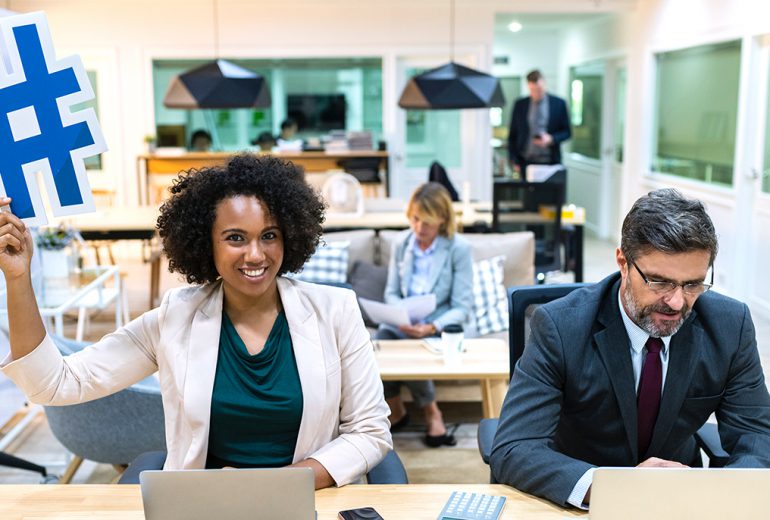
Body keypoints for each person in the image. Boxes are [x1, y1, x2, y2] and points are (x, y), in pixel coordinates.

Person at [0, 154, 391, 488]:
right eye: (236, 238)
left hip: (307, 500)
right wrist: (18, 278)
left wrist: (282, 484)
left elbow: (370, 431)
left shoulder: (335, 310)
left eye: (268, 235)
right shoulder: (176, 317)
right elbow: (54, 385)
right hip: (205, 506)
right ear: (207, 243)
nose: (256, 255)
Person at [490, 188, 770, 508]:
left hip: (679, 500)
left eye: (693, 284)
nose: (677, 301)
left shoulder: (729, 325)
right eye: (659, 281)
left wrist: (715, 494)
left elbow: (758, 436)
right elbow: (514, 448)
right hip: (583, 499)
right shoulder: (559, 326)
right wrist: (614, 489)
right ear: (623, 262)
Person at [375, 182, 473, 447]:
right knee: (378, 343)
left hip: (441, 324)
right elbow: (392, 293)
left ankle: (432, 412)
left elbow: (462, 308)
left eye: (427, 222)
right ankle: (395, 407)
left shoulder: (458, 248)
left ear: (442, 219)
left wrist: (430, 326)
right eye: (415, 219)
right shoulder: (402, 243)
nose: (419, 228)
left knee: (407, 343)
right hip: (405, 322)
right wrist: (401, 315)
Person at [507, 69, 571, 177]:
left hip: (550, 163)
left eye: (539, 89)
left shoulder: (559, 104)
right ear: (528, 87)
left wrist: (551, 139)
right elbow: (512, 134)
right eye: (533, 90)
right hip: (525, 162)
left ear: (544, 84)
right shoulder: (520, 105)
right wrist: (513, 159)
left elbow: (567, 132)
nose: (536, 93)